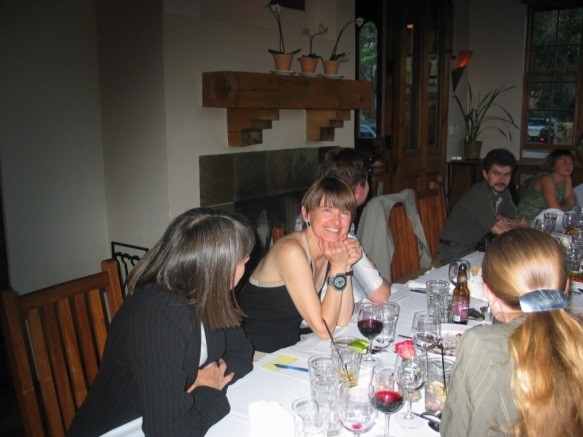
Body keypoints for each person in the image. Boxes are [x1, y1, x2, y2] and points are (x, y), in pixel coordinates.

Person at [68, 208, 255, 436]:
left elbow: (242, 355)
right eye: (242, 261)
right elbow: (168, 432)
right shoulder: (158, 317)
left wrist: (193, 389)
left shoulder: (209, 291)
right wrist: (206, 389)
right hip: (120, 428)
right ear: (215, 266)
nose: (244, 269)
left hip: (163, 417)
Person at [441, 228, 583, 436]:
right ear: (566, 286)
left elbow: (453, 432)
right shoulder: (576, 337)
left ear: (488, 294)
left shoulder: (481, 344)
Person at [240, 176, 361, 354]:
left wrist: (346, 266)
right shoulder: (291, 251)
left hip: (289, 348)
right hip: (255, 355)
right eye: (327, 210)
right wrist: (337, 268)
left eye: (344, 212)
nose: (337, 221)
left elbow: (342, 320)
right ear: (306, 214)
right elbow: (324, 330)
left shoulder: (328, 246)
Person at [312, 146, 390, 303]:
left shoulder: (312, 215)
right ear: (356, 191)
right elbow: (381, 295)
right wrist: (376, 274)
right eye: (367, 181)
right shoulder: (338, 231)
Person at [437, 148, 528, 265]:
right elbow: (501, 232)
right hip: (454, 251)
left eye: (507, 175)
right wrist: (520, 226)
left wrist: (509, 222)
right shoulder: (478, 193)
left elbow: (520, 219)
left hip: (475, 247)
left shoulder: (504, 193)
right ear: (485, 174)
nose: (501, 180)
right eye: (496, 174)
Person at [517, 149, 577, 222]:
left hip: (547, 218)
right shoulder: (547, 179)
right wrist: (567, 204)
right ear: (553, 164)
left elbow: (570, 203)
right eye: (564, 162)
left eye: (571, 162)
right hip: (527, 218)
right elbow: (556, 210)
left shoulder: (567, 178)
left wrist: (567, 204)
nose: (569, 165)